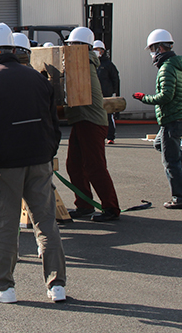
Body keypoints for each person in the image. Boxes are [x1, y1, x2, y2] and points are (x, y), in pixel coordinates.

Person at [0, 22, 66, 304]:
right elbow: (54, 125)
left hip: (7, 165)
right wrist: (47, 153)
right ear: (12, 47)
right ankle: (57, 285)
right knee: (46, 224)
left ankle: (4, 287)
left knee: (5, 226)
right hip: (40, 161)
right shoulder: (38, 79)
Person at [132, 29, 182, 209]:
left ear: (159, 48)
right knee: (159, 144)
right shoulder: (177, 64)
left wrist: (144, 98)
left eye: (152, 49)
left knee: (170, 160)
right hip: (179, 115)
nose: (151, 54)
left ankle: (181, 198)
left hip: (171, 118)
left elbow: (165, 96)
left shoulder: (166, 68)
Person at [63, 28, 121, 222]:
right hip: (82, 120)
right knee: (74, 165)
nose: (69, 48)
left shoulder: (83, 63)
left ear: (82, 47)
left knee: (94, 166)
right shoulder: (80, 62)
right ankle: (84, 204)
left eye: (72, 44)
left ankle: (111, 207)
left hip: (91, 121)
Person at [93, 40, 120, 144]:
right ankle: (97, 136)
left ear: (102, 51)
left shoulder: (108, 64)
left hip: (106, 94)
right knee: (94, 116)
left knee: (108, 116)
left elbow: (115, 78)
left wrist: (114, 92)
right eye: (94, 49)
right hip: (95, 95)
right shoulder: (91, 63)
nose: (96, 51)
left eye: (97, 49)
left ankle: (110, 137)